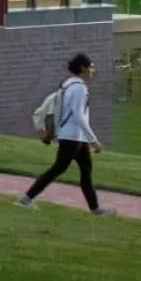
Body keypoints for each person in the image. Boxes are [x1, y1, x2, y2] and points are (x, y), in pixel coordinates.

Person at [19, 51, 104, 213]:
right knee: (58, 169)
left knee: (85, 171)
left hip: (75, 138)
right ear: (82, 68)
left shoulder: (67, 86)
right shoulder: (79, 88)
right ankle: (27, 198)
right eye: (91, 67)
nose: (93, 70)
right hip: (73, 137)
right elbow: (79, 116)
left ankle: (95, 209)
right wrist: (94, 140)